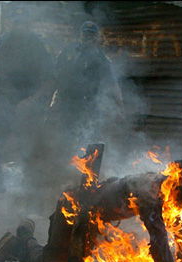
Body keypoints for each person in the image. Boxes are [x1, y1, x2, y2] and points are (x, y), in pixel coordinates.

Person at [7, 159, 182, 262]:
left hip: (92, 222)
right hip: (71, 210)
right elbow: (159, 238)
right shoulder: (149, 190)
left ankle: (27, 238)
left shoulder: (170, 193)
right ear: (175, 181)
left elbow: (181, 233)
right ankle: (24, 237)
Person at [0, 6, 56, 199]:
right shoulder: (3, 42)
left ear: (28, 25)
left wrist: (31, 101)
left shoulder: (39, 44)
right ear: (11, 23)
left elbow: (51, 79)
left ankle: (31, 190)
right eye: (16, 23)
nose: (19, 27)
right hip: (5, 101)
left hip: (30, 104)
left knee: (29, 148)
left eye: (23, 24)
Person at [45, 20, 125, 180]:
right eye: (85, 34)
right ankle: (61, 176)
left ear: (96, 38)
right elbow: (55, 78)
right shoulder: (67, 52)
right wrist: (50, 102)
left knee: (88, 144)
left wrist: (120, 108)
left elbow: (112, 85)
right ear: (80, 35)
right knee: (64, 141)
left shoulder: (101, 59)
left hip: (89, 108)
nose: (88, 37)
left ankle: (84, 180)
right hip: (66, 106)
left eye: (91, 35)